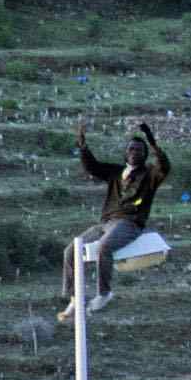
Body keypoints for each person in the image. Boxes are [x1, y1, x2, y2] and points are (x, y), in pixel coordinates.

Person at [61, 118, 169, 321]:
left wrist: (151, 140)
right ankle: (75, 297)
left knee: (104, 247)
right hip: (105, 222)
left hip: (129, 222)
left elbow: (164, 165)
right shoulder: (115, 172)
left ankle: (104, 293)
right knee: (70, 251)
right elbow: (91, 167)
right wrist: (82, 144)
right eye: (131, 149)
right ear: (125, 152)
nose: (134, 152)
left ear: (144, 154)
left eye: (138, 149)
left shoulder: (150, 175)